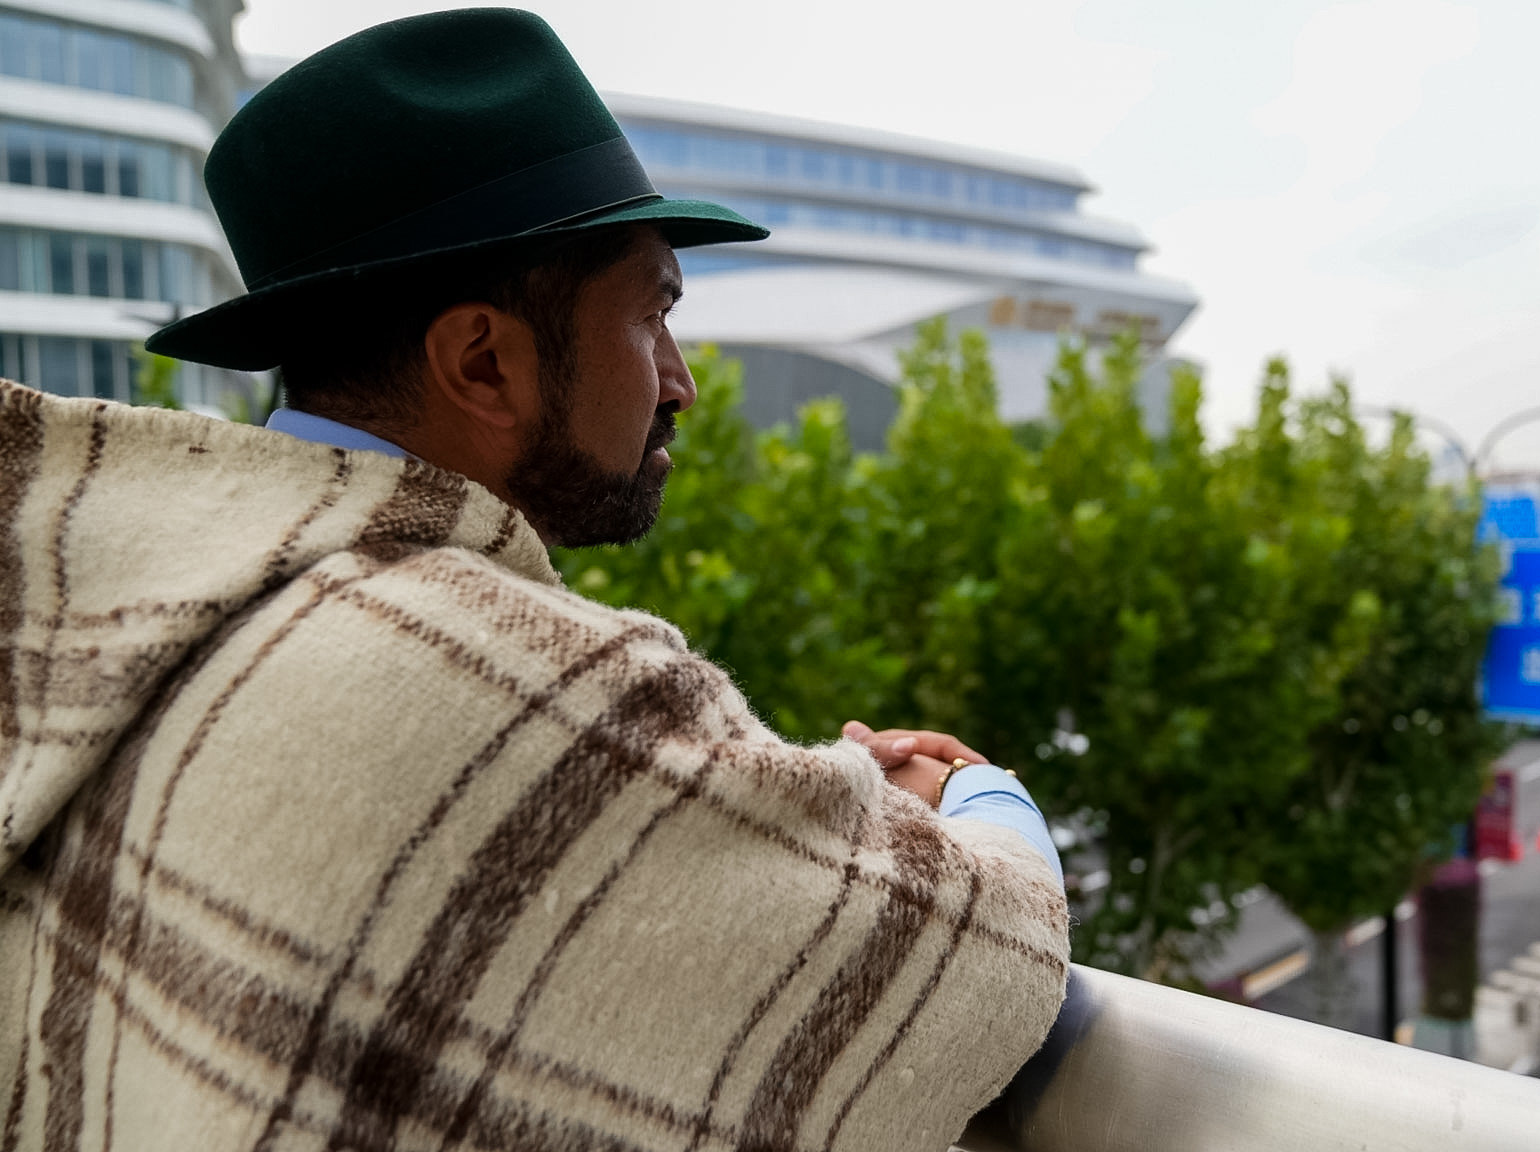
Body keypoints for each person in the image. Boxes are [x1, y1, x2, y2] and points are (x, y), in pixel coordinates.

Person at [0, 12, 1067, 1152]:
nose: (679, 381)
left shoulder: (134, 598)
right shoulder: (503, 681)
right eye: (653, 313)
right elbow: (987, 956)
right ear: (482, 361)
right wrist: (973, 796)